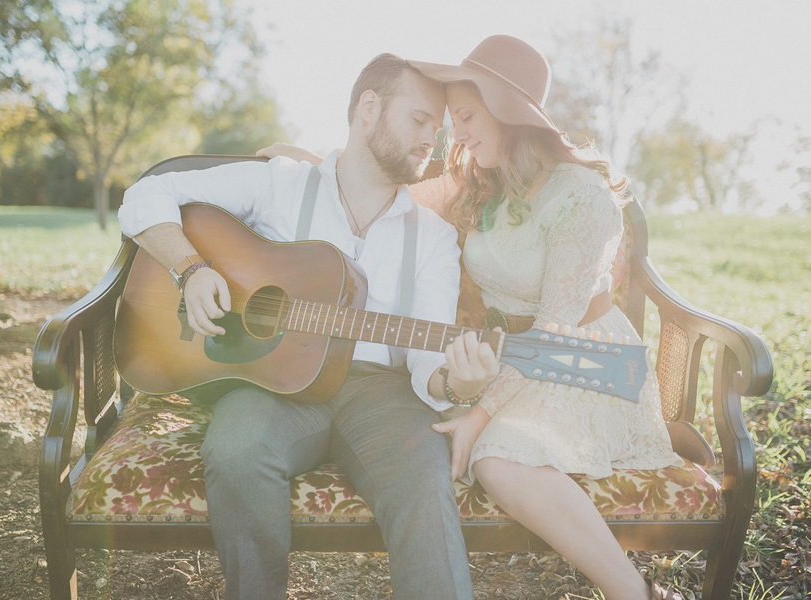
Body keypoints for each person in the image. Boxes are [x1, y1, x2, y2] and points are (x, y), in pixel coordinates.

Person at [259, 35, 685, 600]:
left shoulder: (581, 198)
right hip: (509, 354)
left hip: (584, 359)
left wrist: (479, 413)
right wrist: (307, 162)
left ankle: (636, 594)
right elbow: (379, 180)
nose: (453, 134)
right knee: (464, 442)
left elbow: (555, 331)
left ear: (508, 112)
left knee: (497, 460)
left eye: (463, 116)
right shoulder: (479, 181)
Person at [118, 54, 475, 599]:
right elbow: (144, 196)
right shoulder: (280, 184)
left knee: (424, 482)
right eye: (419, 120)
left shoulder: (434, 237)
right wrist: (192, 270)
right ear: (369, 110)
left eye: (438, 129)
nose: (432, 140)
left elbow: (429, 357)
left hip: (380, 394)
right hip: (272, 383)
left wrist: (456, 383)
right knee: (236, 449)